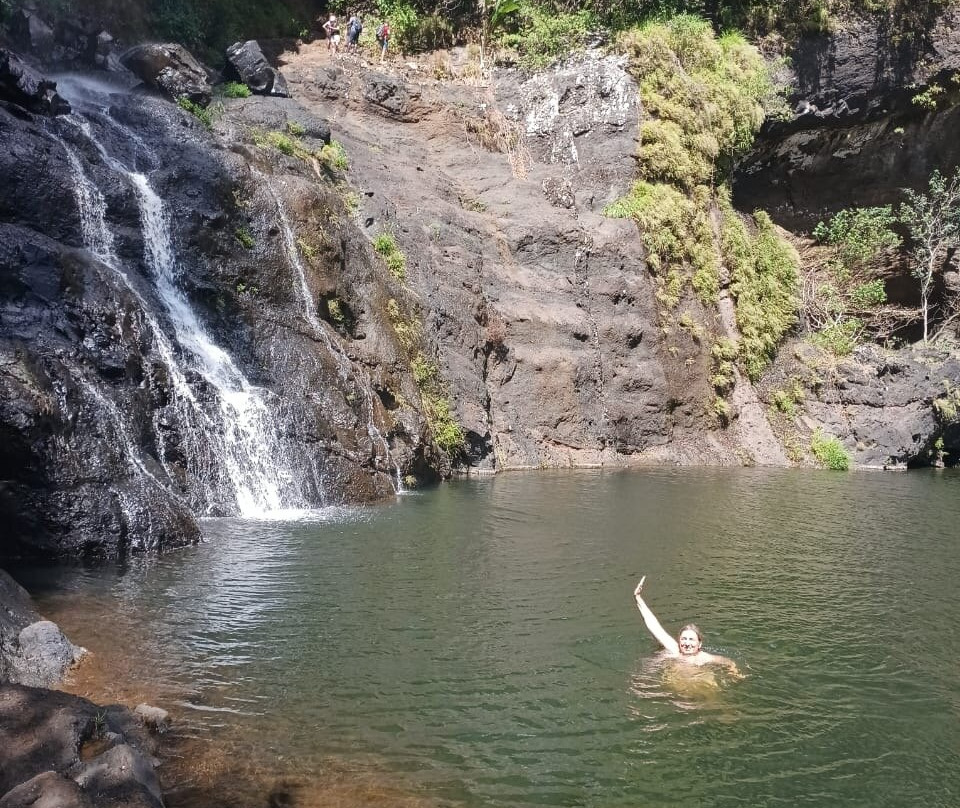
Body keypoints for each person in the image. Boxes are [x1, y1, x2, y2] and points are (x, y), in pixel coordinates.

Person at [633, 577, 741, 675]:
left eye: (691, 639)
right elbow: (654, 626)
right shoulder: (674, 650)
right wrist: (638, 598)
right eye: (684, 639)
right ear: (679, 641)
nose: (687, 643)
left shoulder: (705, 658)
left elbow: (728, 662)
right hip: (676, 690)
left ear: (699, 644)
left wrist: (734, 672)